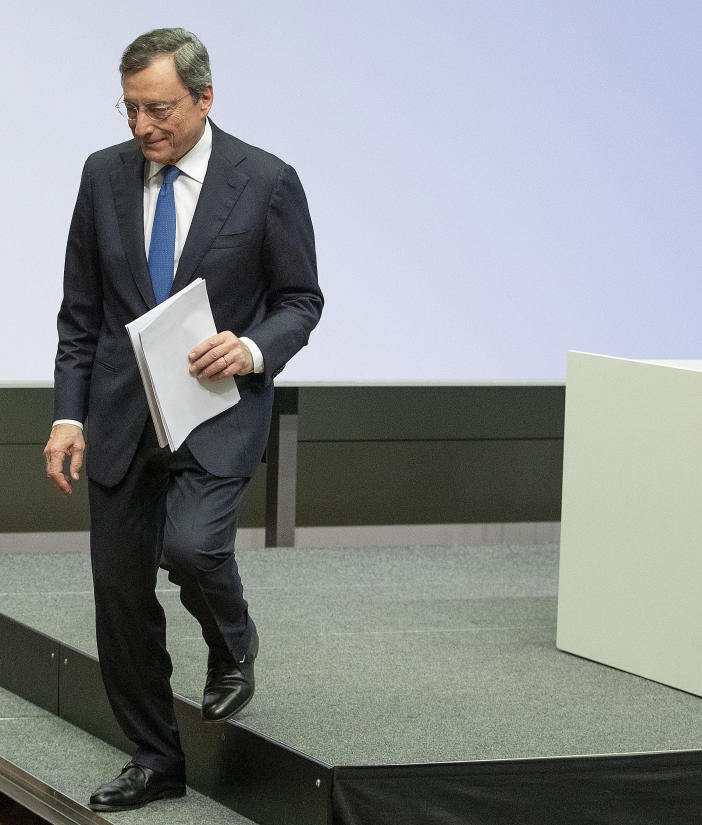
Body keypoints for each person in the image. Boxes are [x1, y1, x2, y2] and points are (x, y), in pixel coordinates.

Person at [42, 28, 323, 812]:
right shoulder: (102, 177)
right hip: (121, 414)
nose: (142, 127)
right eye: (130, 108)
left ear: (204, 98)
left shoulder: (265, 182)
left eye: (158, 108)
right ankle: (154, 758)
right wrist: (69, 416)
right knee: (120, 594)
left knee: (194, 549)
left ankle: (233, 641)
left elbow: (301, 300)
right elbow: (81, 315)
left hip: (216, 410)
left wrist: (253, 347)